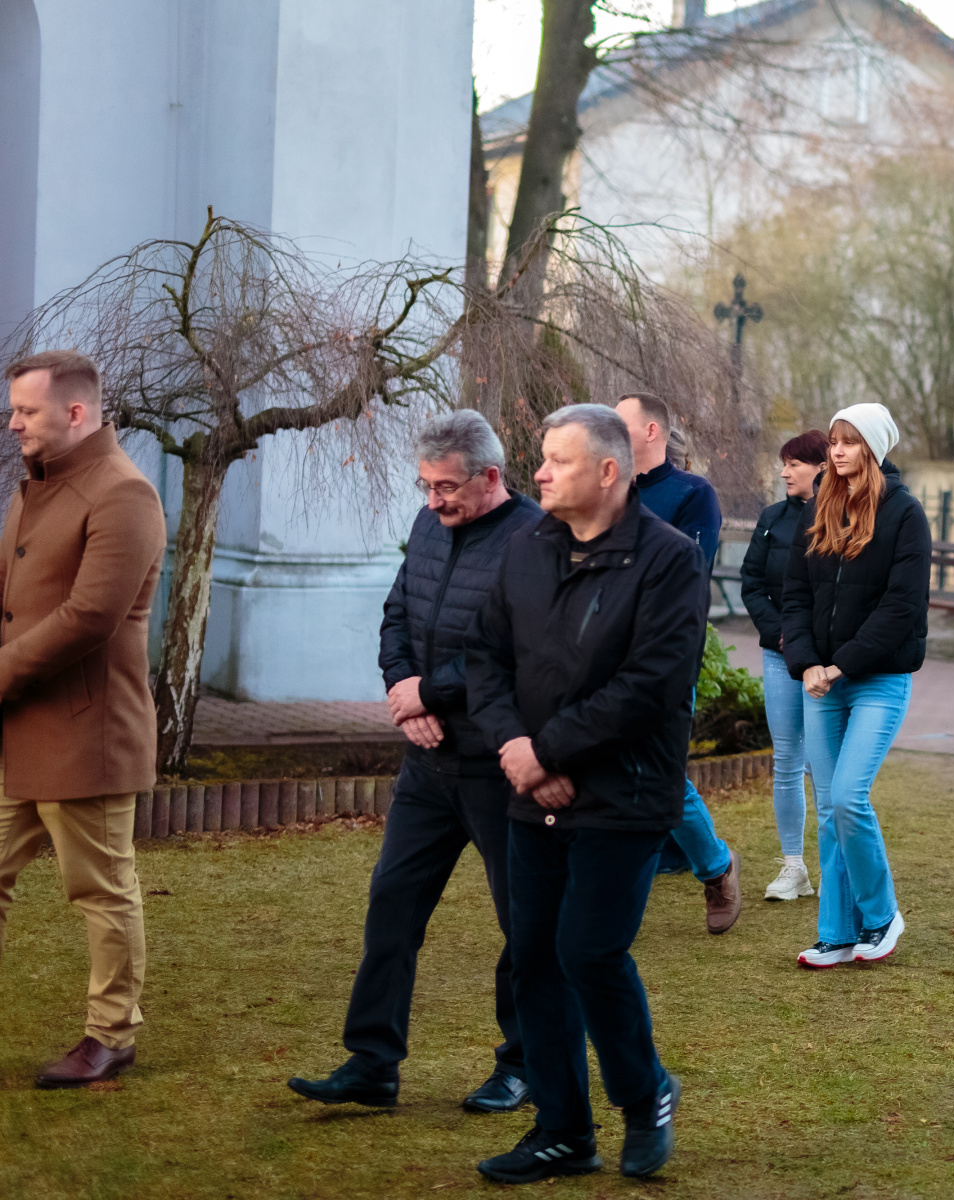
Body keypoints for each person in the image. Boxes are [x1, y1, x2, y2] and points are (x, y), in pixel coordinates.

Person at [465, 404, 702, 1183]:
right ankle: (563, 1132)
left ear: (607, 471)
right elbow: (484, 658)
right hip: (532, 788)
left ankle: (643, 1094)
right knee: (534, 959)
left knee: (588, 953)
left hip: (624, 795)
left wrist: (549, 750)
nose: (538, 473)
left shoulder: (668, 560)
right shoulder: (527, 547)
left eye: (557, 460)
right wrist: (516, 747)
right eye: (541, 458)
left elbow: (650, 685)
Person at [287, 411, 542, 1114]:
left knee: (523, 923)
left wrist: (430, 692)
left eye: (447, 487)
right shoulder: (430, 524)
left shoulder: (532, 540)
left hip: (496, 765)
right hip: (427, 764)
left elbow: (516, 652)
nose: (433, 501)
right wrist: (405, 692)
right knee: (392, 907)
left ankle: (524, 1064)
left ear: (491, 477)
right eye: (426, 486)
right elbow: (397, 613)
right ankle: (373, 1063)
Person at [0, 351, 165, 1087]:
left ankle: (112, 1035)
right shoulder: (36, 484)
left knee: (100, 890)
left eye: (25, 411)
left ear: (75, 412)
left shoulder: (124, 494)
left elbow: (89, 617)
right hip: (21, 729)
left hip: (86, 733)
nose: (13, 424)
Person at [782, 404, 928, 968]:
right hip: (820, 681)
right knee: (828, 809)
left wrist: (839, 665)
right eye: (834, 441)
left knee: (847, 797)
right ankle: (837, 934)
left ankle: (882, 915)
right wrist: (806, 664)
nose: (837, 451)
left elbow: (901, 605)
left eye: (849, 442)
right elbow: (796, 595)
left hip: (878, 681)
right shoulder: (818, 507)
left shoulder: (905, 513)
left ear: (874, 448)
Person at [613, 392, 741, 935]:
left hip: (664, 656)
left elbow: (686, 574)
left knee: (660, 774)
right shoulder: (607, 489)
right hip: (599, 655)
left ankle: (716, 867)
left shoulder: (693, 495)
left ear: (651, 432)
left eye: (619, 422)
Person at [738, 429, 829, 901]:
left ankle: (836, 868)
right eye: (784, 463)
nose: (784, 472)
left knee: (825, 764)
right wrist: (783, 635)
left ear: (821, 467)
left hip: (826, 663)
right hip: (779, 655)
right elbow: (752, 581)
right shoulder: (772, 518)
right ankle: (794, 867)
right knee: (788, 760)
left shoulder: (841, 519)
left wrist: (813, 644)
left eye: (794, 463)